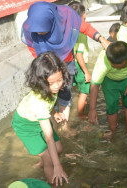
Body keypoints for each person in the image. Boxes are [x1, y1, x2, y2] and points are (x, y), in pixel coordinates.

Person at [21, 1, 110, 124]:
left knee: (65, 92)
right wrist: (42, 63)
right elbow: (32, 47)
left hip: (66, 63)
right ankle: (53, 123)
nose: (39, 33)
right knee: (48, 94)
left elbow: (86, 28)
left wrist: (102, 39)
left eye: (43, 30)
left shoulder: (66, 16)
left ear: (52, 21)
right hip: (46, 65)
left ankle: (65, 125)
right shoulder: (29, 27)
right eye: (37, 31)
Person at [12, 52, 70, 186]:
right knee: (50, 159)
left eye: (59, 80)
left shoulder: (52, 89)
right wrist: (57, 166)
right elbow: (48, 136)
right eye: (51, 83)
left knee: (58, 149)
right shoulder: (38, 102)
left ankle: (42, 162)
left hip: (39, 118)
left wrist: (54, 112)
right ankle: (53, 183)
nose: (56, 86)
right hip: (25, 126)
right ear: (40, 82)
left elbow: (50, 103)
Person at [88, 41, 127, 137]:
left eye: (122, 66)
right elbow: (94, 85)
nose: (119, 69)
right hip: (109, 81)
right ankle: (113, 129)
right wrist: (92, 109)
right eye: (114, 66)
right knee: (111, 105)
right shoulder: (103, 61)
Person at [68, 1, 91, 118]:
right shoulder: (82, 32)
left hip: (71, 64)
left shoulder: (69, 30)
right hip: (80, 65)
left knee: (77, 87)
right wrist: (86, 72)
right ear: (83, 14)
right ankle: (80, 114)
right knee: (84, 92)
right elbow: (79, 55)